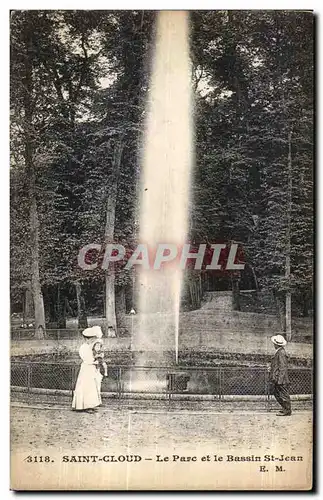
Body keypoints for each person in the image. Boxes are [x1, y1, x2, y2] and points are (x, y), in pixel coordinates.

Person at [72, 326, 104, 412]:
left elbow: (93, 355)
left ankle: (90, 405)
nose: (91, 340)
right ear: (86, 339)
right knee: (85, 386)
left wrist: (98, 357)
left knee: (91, 386)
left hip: (90, 368)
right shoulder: (83, 347)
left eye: (92, 338)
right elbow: (86, 359)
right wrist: (94, 362)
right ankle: (83, 406)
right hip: (86, 368)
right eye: (90, 339)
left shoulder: (90, 347)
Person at [270, 334, 292, 416]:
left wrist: (280, 379)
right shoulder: (279, 352)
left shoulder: (281, 352)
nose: (274, 345)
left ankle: (287, 410)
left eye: (274, 343)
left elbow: (283, 367)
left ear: (277, 344)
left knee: (283, 394)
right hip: (277, 377)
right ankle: (285, 408)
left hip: (281, 379)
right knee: (276, 393)